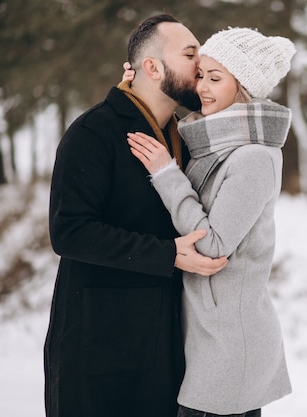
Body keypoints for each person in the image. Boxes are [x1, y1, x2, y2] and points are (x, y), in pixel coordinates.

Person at [44, 14, 228, 417]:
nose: (202, 63)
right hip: (99, 353)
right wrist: (167, 254)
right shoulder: (93, 133)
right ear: (151, 67)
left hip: (166, 348)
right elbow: (69, 231)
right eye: (190, 53)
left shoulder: (187, 137)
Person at [125, 27, 296, 417]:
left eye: (215, 78)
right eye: (201, 74)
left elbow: (212, 244)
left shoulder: (254, 157)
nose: (201, 86)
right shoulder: (209, 142)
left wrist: (166, 174)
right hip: (204, 335)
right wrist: (134, 87)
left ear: (244, 87)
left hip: (229, 344)